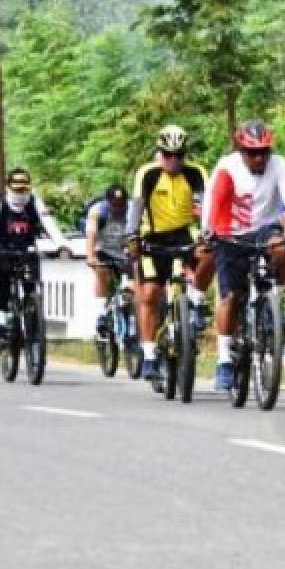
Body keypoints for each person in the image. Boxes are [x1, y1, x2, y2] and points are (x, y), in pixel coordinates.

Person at [204, 119, 285, 391]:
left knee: (282, 247)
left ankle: (273, 300)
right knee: (230, 296)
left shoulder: (278, 164)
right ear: (241, 151)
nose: (259, 158)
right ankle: (224, 360)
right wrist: (206, 230)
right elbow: (212, 200)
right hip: (229, 234)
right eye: (252, 153)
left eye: (263, 151)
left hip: (265, 227)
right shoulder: (227, 167)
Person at [128, 125, 215, 381]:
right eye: (168, 155)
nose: (174, 161)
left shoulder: (197, 172)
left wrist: (209, 231)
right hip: (153, 236)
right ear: (160, 152)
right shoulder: (148, 174)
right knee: (152, 292)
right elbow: (136, 207)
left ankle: (196, 303)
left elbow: (206, 205)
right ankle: (149, 355)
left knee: (210, 254)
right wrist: (132, 235)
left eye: (179, 155)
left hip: (185, 233)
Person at [0, 168, 49, 334]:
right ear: (8, 186)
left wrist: (63, 244)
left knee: (31, 282)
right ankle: (0, 313)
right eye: (17, 187)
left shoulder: (34, 201)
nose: (21, 190)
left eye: (24, 186)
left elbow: (49, 223)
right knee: (3, 278)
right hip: (2, 249)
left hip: (26, 248)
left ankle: (31, 311)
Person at [84, 183, 132, 340]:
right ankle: (102, 314)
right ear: (108, 202)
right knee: (102, 272)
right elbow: (91, 235)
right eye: (114, 204)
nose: (118, 208)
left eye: (121, 204)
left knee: (136, 281)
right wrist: (91, 256)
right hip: (104, 250)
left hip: (126, 252)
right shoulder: (98, 211)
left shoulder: (132, 210)